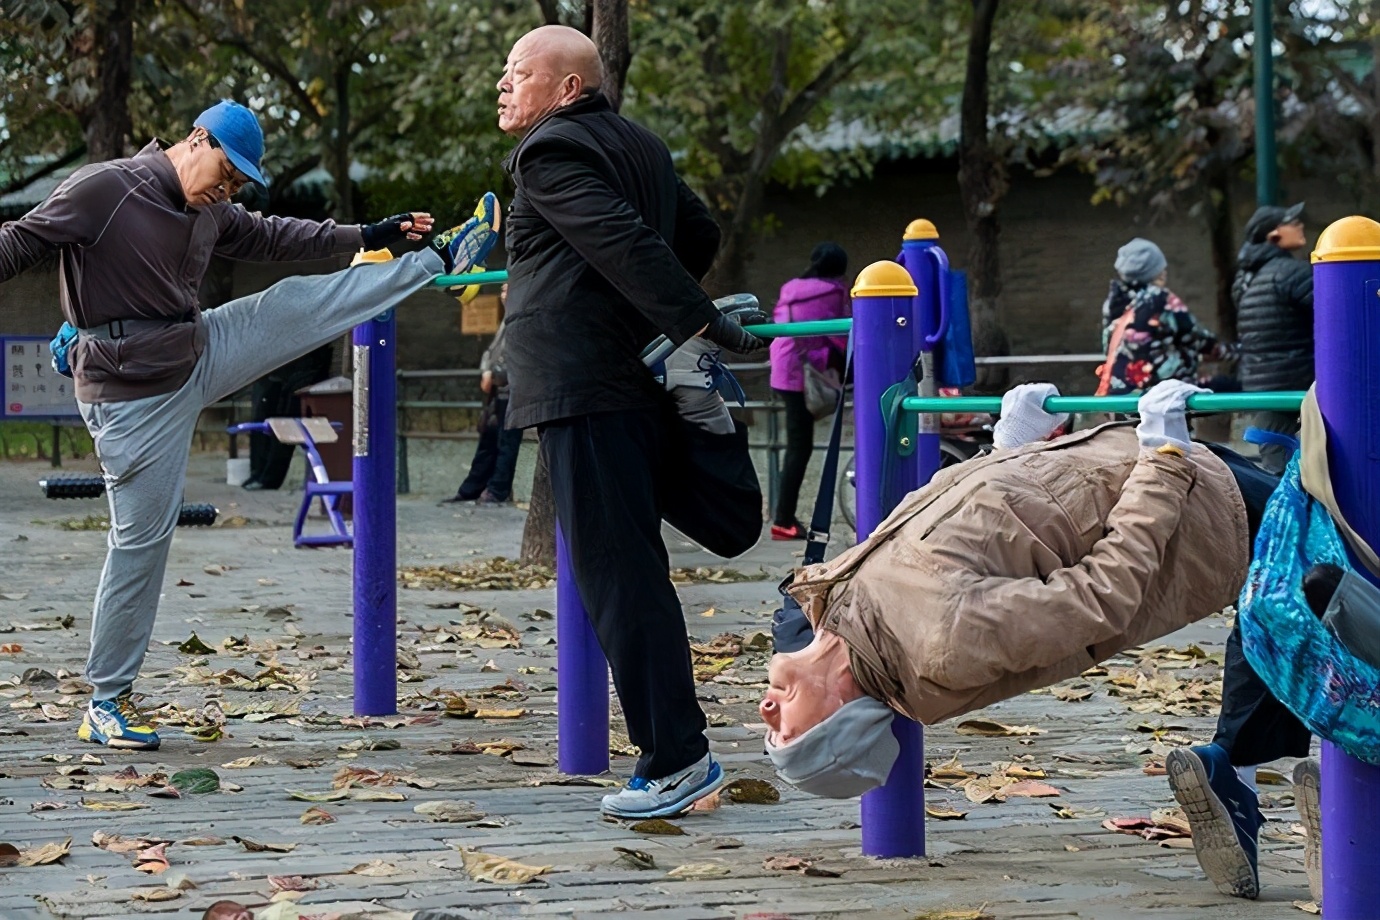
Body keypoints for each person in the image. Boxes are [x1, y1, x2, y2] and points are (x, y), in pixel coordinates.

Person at [0, 99, 500, 750]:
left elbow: (273, 236)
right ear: (196, 139)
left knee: (289, 304)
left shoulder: (211, 210)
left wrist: (367, 236)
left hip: (197, 349)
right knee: (141, 543)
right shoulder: (106, 188)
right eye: (226, 175)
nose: (226, 191)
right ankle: (106, 700)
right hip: (131, 397)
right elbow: (16, 244)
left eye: (238, 185)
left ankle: (440, 260)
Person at [496, 25, 767, 819]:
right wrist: (670, 316)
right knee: (715, 527)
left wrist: (698, 322)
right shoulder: (641, 144)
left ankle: (679, 760)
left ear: (568, 88)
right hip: (638, 376)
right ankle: (704, 410)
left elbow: (617, 239)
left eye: (519, 73)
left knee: (620, 576)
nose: (504, 86)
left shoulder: (546, 153)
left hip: (586, 385)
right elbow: (698, 232)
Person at [768, 242, 851, 540]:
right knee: (799, 447)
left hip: (782, 367)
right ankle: (783, 520)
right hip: (804, 372)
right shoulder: (833, 292)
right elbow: (841, 336)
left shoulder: (792, 287)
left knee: (796, 444)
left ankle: (783, 516)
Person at [1098, 238, 1234, 396]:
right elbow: (1197, 337)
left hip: (1119, 391)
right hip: (1159, 391)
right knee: (1233, 387)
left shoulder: (1115, 302)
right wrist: (1235, 351)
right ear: (1157, 273)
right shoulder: (1160, 299)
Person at [1233, 202, 1312, 473]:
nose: (1300, 225)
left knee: (1276, 467)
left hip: (1263, 387)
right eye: (1292, 221)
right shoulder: (1292, 273)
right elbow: (1338, 320)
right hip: (1299, 383)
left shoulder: (1246, 279)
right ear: (1273, 235)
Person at [443, 283, 524, 505]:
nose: (503, 293)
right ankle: (473, 488)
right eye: (503, 289)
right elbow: (492, 352)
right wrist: (488, 371)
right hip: (500, 390)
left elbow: (515, 357)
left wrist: (494, 373)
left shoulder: (520, 317)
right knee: (488, 441)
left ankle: (497, 491)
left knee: (506, 444)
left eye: (508, 289)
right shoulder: (508, 319)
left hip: (513, 391)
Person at [241, 343, 332, 490]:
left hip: (299, 371)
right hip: (281, 368)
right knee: (264, 419)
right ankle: (259, 474)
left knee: (284, 424)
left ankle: (268, 478)